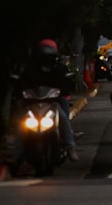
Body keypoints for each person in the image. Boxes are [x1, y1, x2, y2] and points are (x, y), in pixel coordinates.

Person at [12, 39, 78, 168]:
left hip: (53, 102)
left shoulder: (59, 68)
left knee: (64, 118)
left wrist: (63, 90)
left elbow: (67, 82)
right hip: (33, 103)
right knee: (21, 124)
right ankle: (17, 154)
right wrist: (22, 92)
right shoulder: (31, 69)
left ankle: (71, 147)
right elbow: (21, 83)